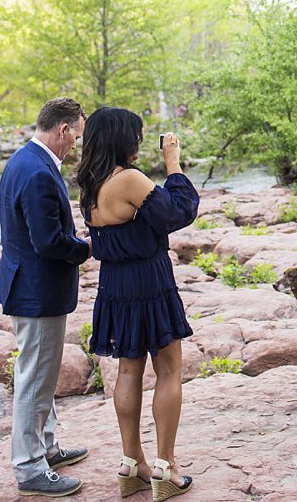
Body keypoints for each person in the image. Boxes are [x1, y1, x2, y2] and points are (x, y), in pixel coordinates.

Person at [78, 108, 197, 500]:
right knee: (168, 371)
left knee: (128, 374)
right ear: (122, 139)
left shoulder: (89, 183)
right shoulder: (129, 179)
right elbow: (178, 213)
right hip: (149, 282)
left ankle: (133, 464)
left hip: (115, 286)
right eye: (136, 136)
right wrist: (173, 163)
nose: (139, 143)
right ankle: (165, 467)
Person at [0, 97, 91, 497]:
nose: (76, 147)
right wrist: (85, 248)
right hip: (37, 292)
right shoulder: (36, 172)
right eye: (77, 138)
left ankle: (47, 448)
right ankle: (29, 468)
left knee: (41, 375)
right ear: (63, 130)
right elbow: (48, 241)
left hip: (29, 287)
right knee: (34, 379)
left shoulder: (23, 160)